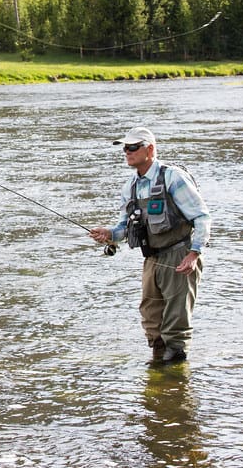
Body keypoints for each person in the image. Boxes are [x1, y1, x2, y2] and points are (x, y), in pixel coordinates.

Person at [89, 127, 211, 364]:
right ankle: (158, 363)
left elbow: (202, 217)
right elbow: (124, 228)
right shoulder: (130, 187)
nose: (127, 152)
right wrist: (109, 234)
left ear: (150, 149)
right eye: (125, 148)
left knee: (176, 320)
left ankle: (174, 375)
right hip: (151, 259)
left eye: (133, 147)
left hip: (180, 255)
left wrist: (194, 254)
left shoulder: (173, 177)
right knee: (151, 317)